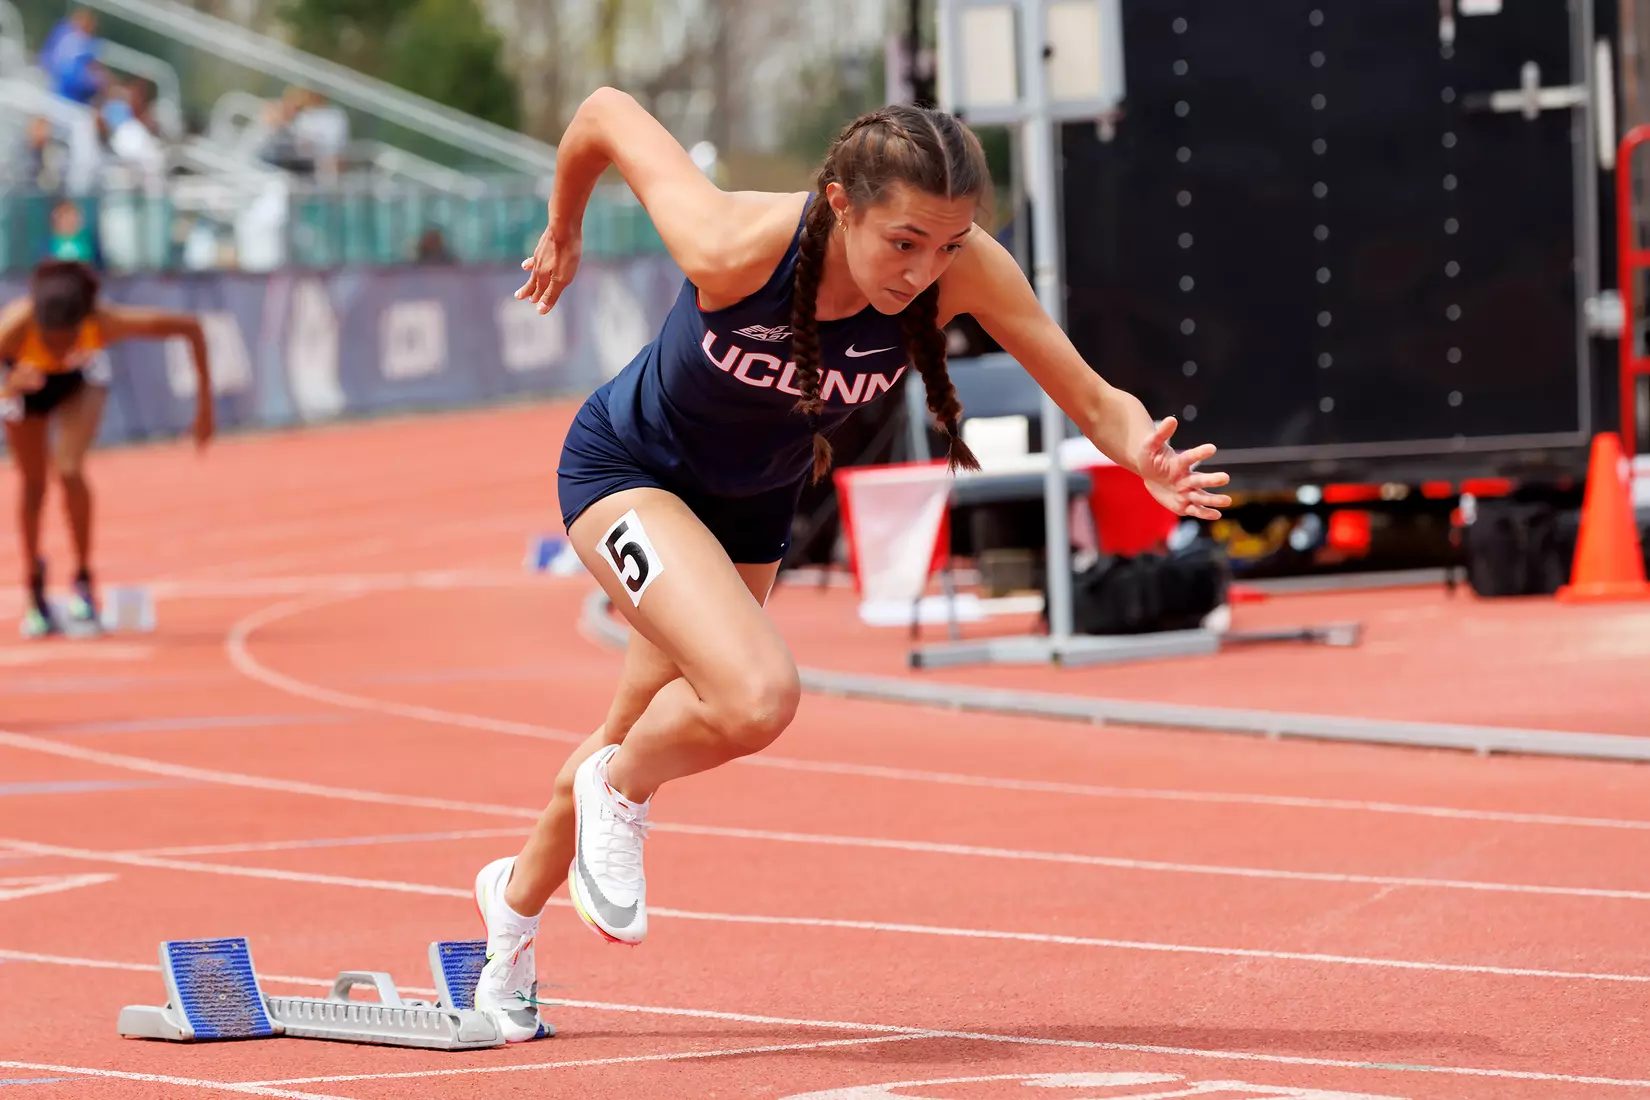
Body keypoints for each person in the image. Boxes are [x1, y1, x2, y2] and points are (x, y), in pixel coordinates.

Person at [468, 88, 1232, 1039]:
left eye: (948, 245)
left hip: (750, 511)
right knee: (754, 697)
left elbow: (1089, 392)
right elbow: (603, 112)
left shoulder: (961, 270)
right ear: (840, 203)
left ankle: (509, 918)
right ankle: (619, 790)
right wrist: (565, 227)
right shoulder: (732, 243)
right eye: (904, 242)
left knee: (633, 726)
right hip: (628, 472)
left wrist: (1142, 452)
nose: (923, 271)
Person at [0, 260, 213, 637]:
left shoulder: (106, 321)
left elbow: (191, 327)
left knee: (69, 469)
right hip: (22, 389)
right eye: (51, 339)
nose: (59, 349)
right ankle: (34, 584)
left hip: (79, 386)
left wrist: (205, 408)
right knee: (33, 485)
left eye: (68, 339)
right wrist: (8, 386)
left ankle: (83, 578)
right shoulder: (13, 329)